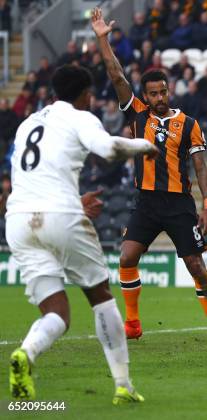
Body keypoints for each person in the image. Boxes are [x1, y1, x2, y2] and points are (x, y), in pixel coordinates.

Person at [6, 64, 158, 403]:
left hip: (18, 220)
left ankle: (26, 354)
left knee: (56, 312)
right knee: (100, 295)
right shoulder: (80, 117)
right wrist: (143, 147)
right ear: (86, 94)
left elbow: (35, 178)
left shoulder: (27, 123)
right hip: (60, 215)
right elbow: (109, 150)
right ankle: (123, 384)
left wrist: (71, 200)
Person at [91, 8, 207, 345]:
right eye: (153, 94)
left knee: (195, 266)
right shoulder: (137, 114)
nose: (159, 98)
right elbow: (116, 75)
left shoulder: (190, 124)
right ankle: (133, 323)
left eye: (163, 92)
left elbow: (200, 166)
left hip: (179, 204)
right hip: (147, 202)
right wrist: (102, 39)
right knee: (127, 257)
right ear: (146, 96)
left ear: (169, 90)